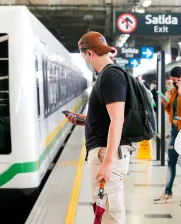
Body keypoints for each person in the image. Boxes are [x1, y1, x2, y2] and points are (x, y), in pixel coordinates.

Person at [67, 31, 132, 223]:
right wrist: (87, 120)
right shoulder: (107, 76)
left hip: (106, 153)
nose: (86, 62)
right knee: (103, 211)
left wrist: (109, 162)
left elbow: (117, 119)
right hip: (104, 150)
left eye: (84, 57)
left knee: (110, 214)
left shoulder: (110, 76)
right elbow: (108, 117)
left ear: (89, 53)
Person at [153, 66, 181, 206]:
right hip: (174, 130)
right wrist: (166, 104)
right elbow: (172, 111)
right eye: (172, 81)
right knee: (171, 162)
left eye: (175, 80)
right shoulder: (172, 92)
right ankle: (168, 193)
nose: (173, 83)